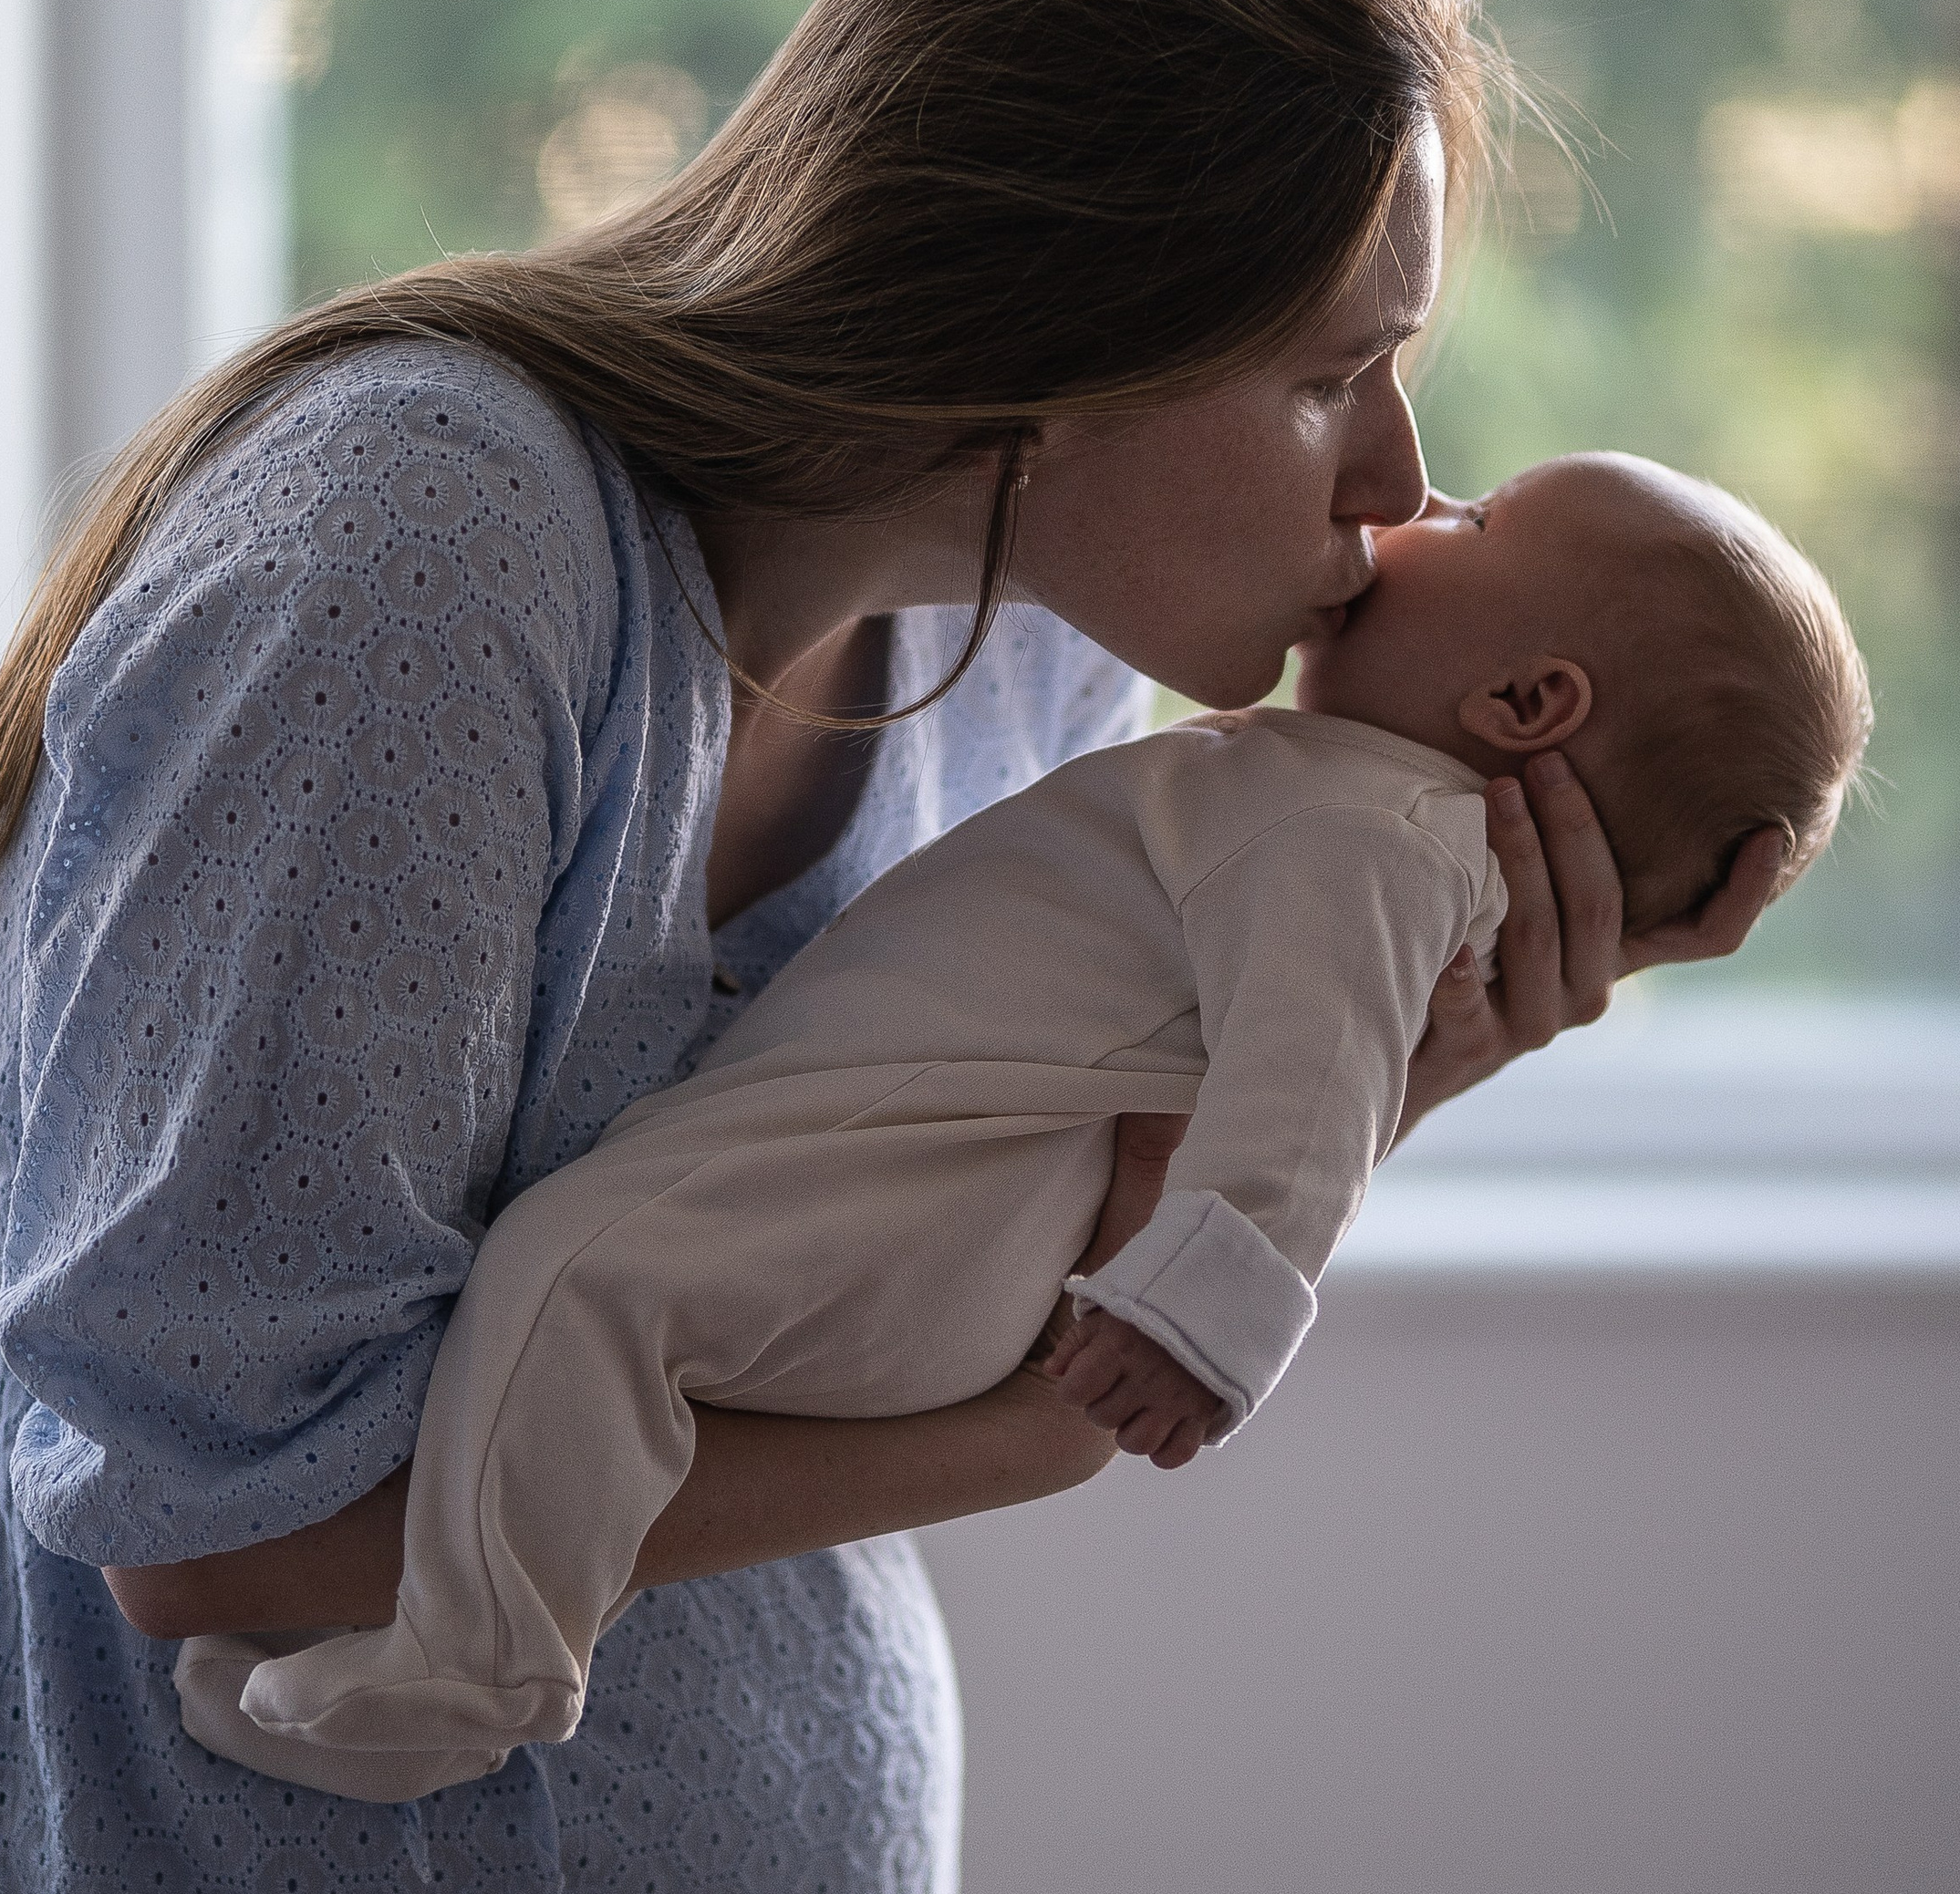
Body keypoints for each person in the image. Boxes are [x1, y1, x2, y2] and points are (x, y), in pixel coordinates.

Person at [0, 0, 1780, 1894]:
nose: (1401, 480)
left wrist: (1365, 1079)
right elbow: (221, 1530)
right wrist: (1062, 1433)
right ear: (1064, 318)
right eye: (1338, 370)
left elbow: (935, 1279)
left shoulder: (1006, 669)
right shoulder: (422, 557)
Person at [201, 450, 1865, 1804]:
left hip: (953, 1209)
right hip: (944, 1184)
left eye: (1479, 519)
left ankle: (473, 1663)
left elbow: (1301, 1098)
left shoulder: (1365, 834)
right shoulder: (1314, 800)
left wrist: (1192, 1326)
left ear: (1525, 701)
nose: (1410, 491)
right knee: (591, 1296)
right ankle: (432, 1614)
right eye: (1331, 378)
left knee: (577, 1279)